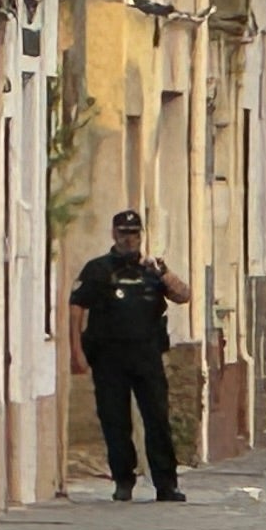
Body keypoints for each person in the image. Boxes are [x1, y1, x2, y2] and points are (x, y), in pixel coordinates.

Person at [68, 209, 191, 502]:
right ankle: (123, 480)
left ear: (141, 236)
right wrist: (76, 351)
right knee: (115, 420)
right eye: (124, 233)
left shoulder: (152, 271)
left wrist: (164, 272)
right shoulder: (98, 270)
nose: (129, 239)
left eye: (134, 233)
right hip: (109, 357)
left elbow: (183, 295)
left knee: (157, 419)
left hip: (147, 355)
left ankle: (166, 484)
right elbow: (76, 309)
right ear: (114, 235)